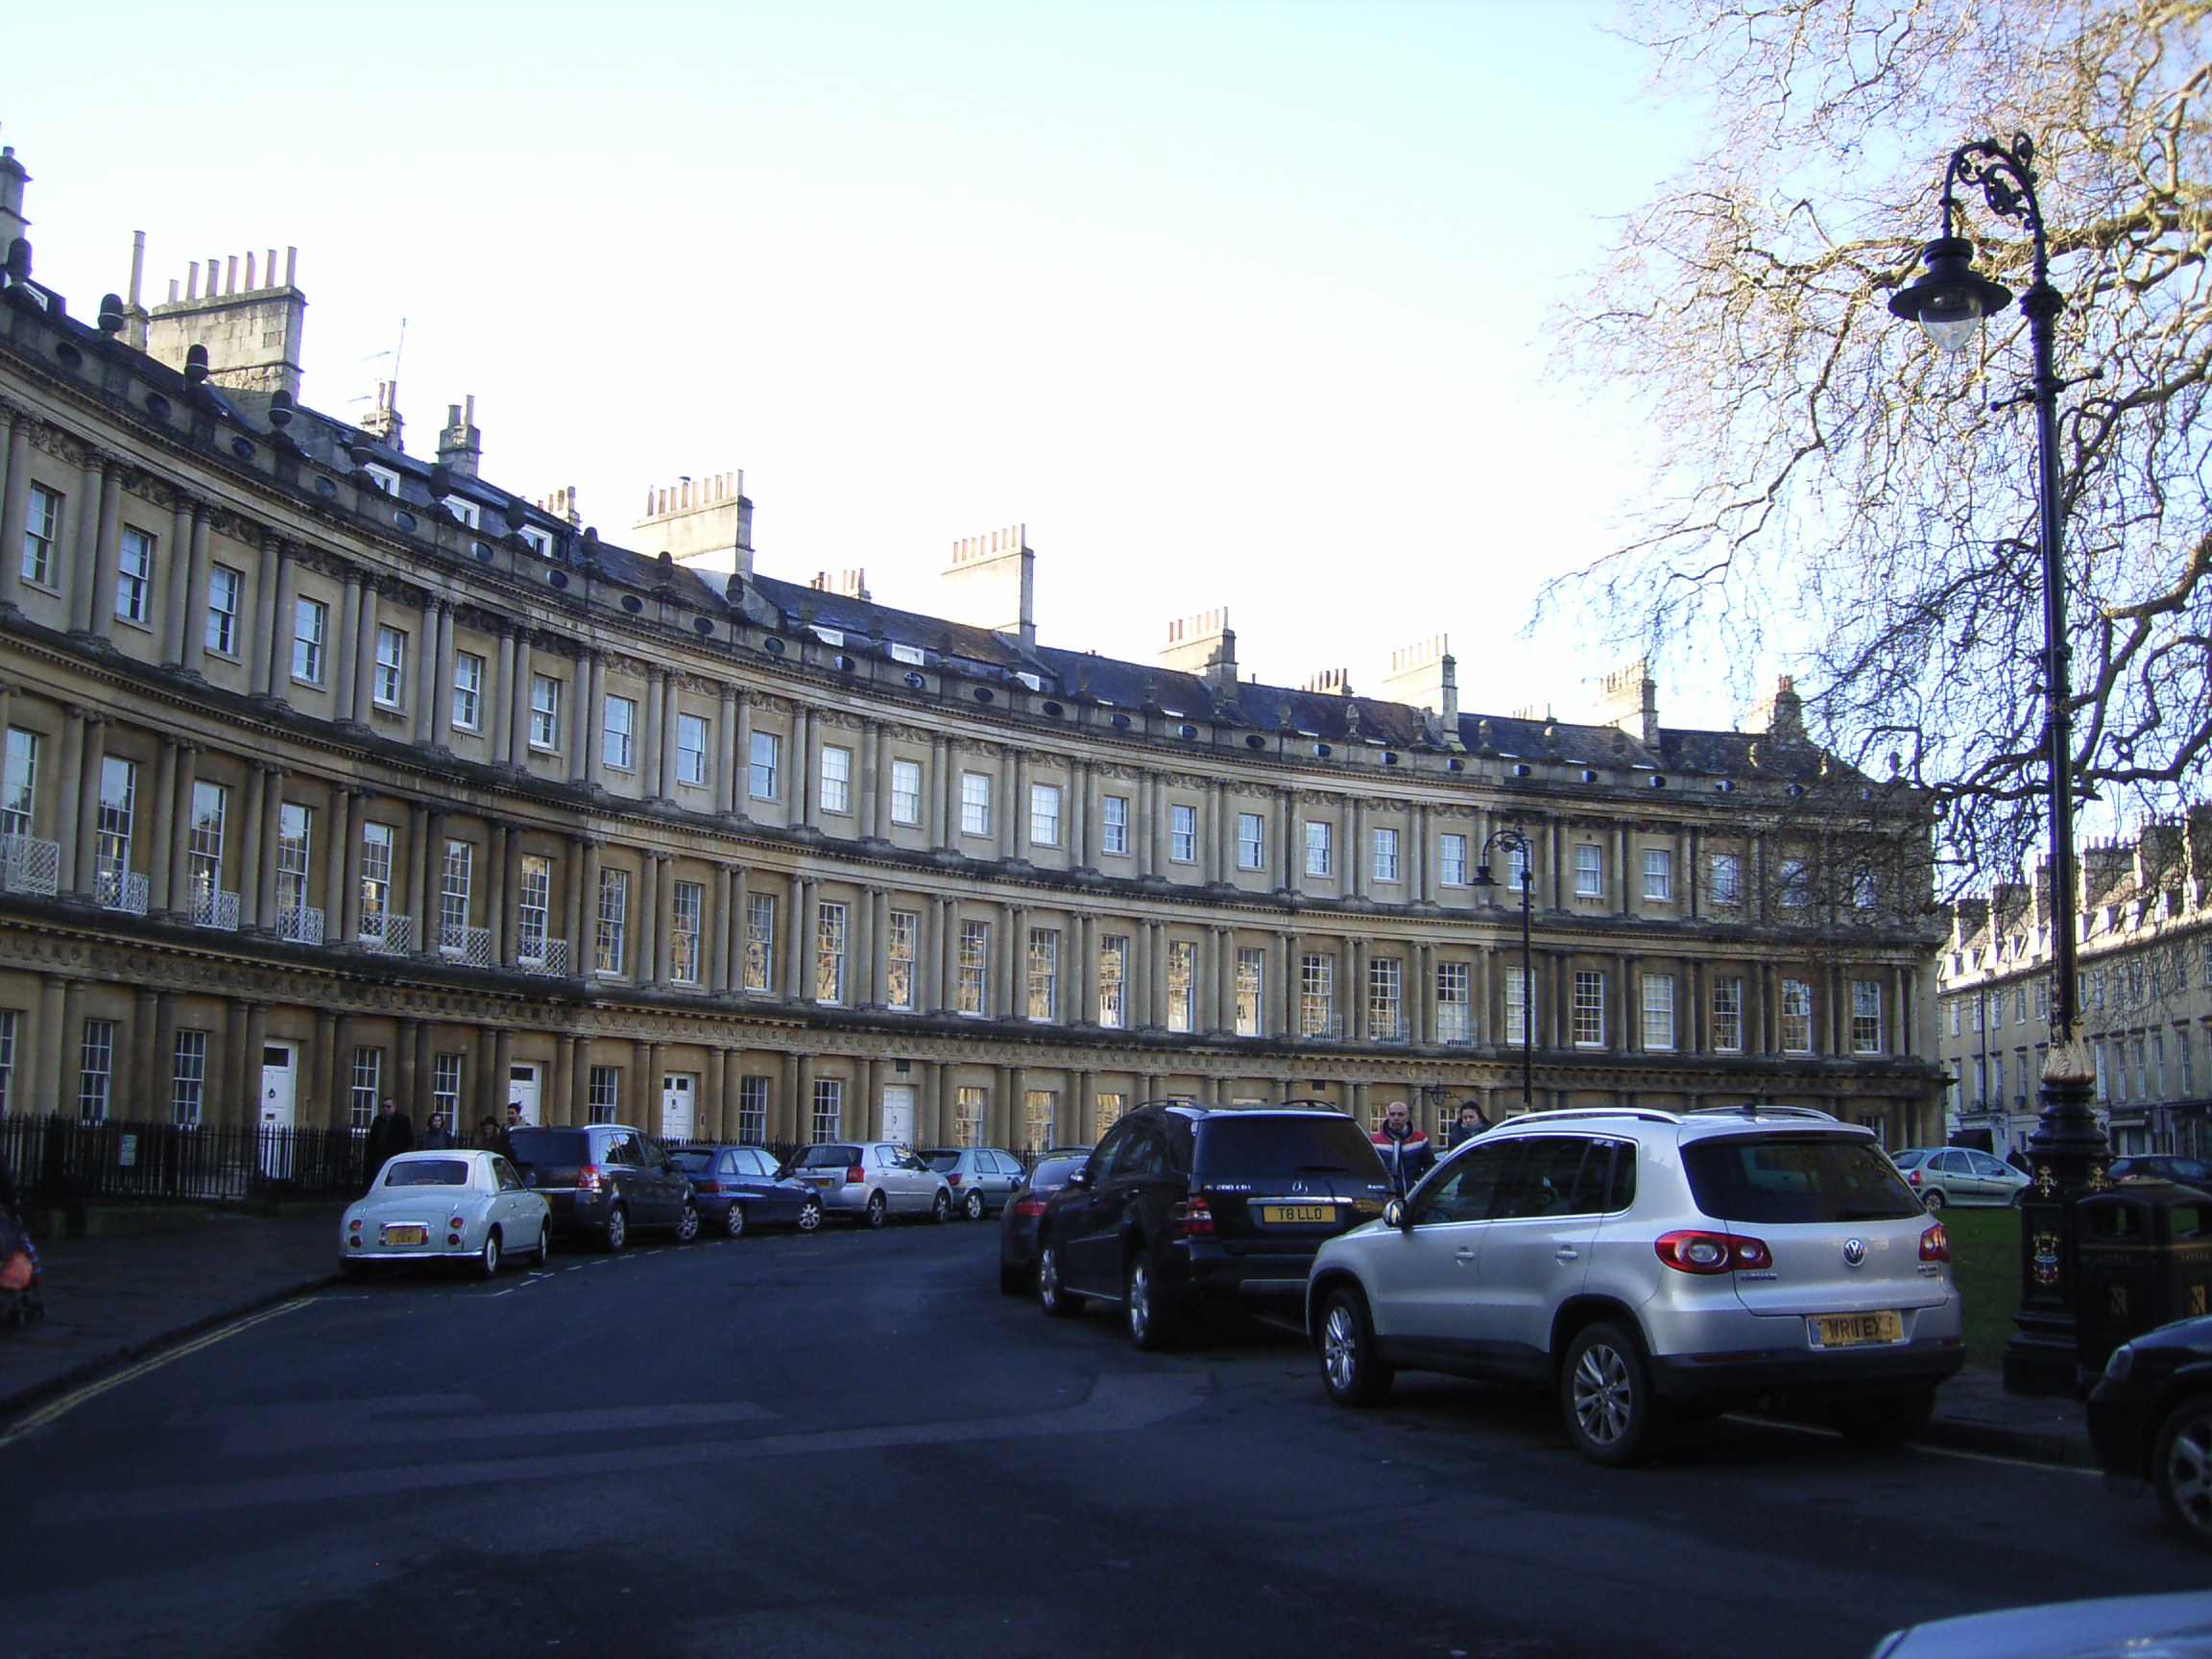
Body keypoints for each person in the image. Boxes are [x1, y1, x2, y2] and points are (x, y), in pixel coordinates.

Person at [1371, 1098, 1434, 1196]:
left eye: (1400, 1115)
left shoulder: (1420, 1139)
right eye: (1392, 1114)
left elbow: (1430, 1166)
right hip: (1387, 1195)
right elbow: (1372, 1171)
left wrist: (1418, 1183)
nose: (1396, 1118)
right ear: (1388, 1116)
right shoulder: (1375, 1141)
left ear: (1408, 1117)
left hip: (1413, 1194)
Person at [362, 1096, 414, 1190]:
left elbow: (408, 1138)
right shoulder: (377, 1120)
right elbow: (372, 1138)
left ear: (394, 1107)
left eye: (388, 1106)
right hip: (380, 1155)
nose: (385, 1109)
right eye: (383, 1106)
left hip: (395, 1155)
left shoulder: (403, 1120)